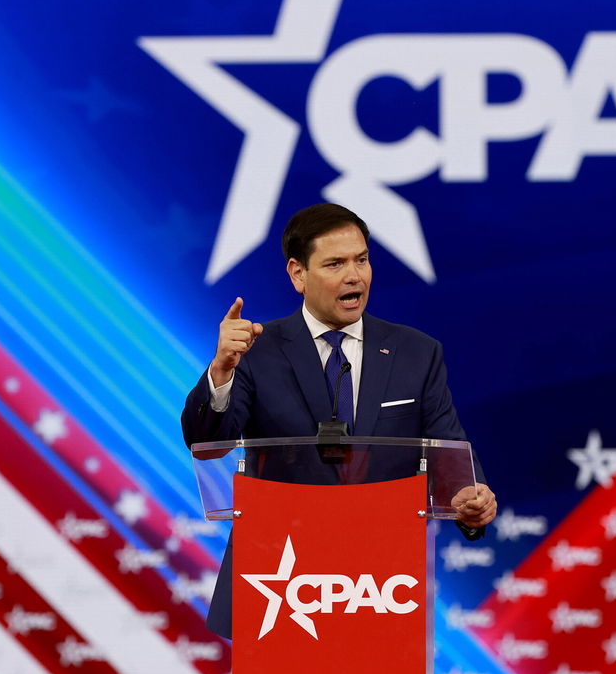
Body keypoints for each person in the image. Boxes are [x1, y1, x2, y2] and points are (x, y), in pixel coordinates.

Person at [181, 203, 496, 637]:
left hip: (380, 588)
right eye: (335, 263)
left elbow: (448, 451)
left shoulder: (416, 353)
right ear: (298, 274)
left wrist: (469, 496)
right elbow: (208, 442)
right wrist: (221, 371)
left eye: (362, 260)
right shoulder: (257, 351)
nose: (355, 276)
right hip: (279, 582)